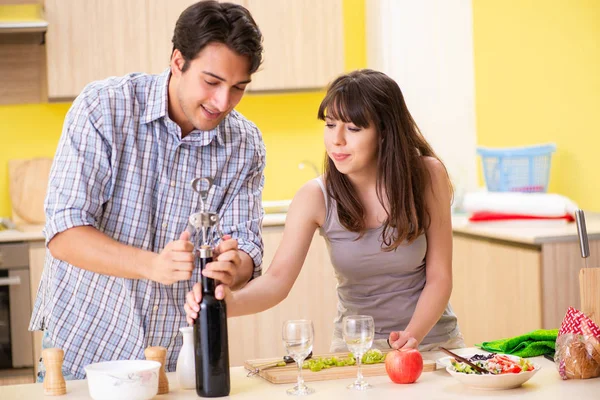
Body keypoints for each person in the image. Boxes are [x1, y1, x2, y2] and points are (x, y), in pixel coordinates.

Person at [30, 0, 265, 380]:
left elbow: (247, 245)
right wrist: (152, 265)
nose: (223, 102)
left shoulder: (244, 144)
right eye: (212, 81)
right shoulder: (104, 109)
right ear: (177, 61)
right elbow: (63, 232)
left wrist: (234, 267)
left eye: (238, 87)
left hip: (173, 363)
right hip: (84, 354)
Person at [185, 69, 464, 352]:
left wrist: (412, 337)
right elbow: (277, 280)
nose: (337, 140)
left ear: (384, 133)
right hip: (356, 350)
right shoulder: (315, 197)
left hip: (433, 343)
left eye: (353, 128)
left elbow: (440, 276)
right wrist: (229, 304)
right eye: (330, 125)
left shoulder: (427, 176)